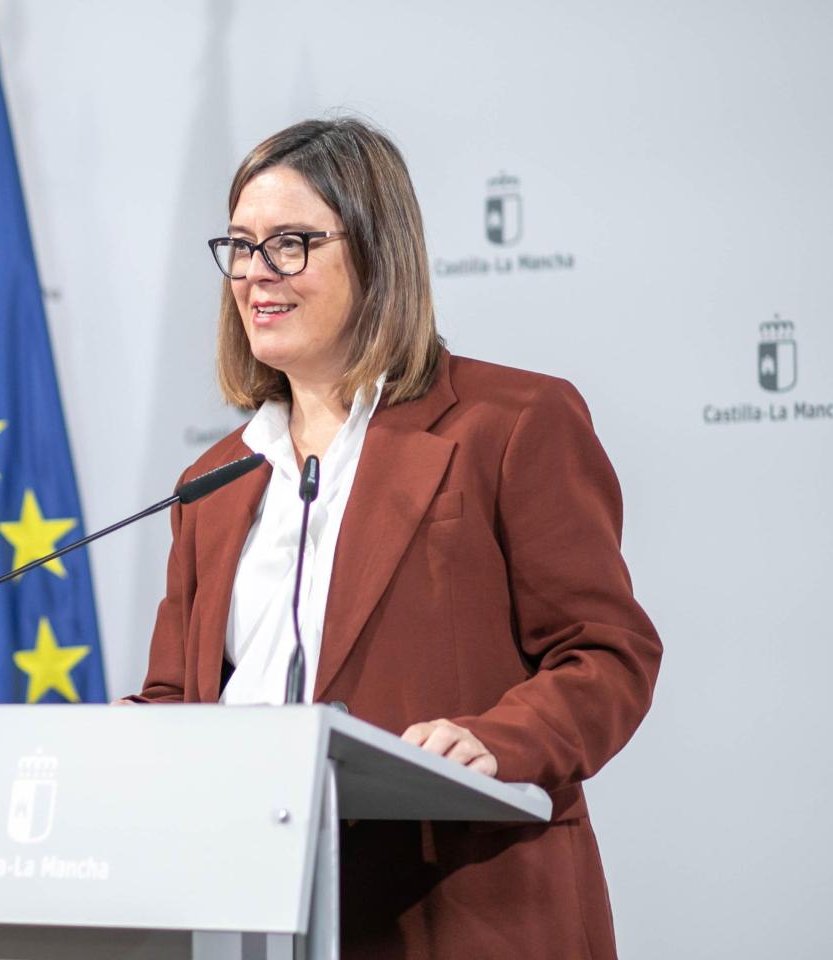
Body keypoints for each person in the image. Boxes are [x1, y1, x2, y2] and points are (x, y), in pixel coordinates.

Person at [126, 117, 662, 959]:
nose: (256, 273)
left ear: (378, 253)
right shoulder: (216, 479)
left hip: (465, 911)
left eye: (291, 243)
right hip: (260, 917)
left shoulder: (511, 424)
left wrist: (498, 738)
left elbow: (606, 655)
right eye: (239, 245)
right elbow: (176, 700)